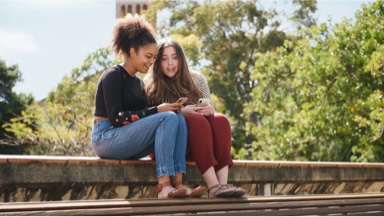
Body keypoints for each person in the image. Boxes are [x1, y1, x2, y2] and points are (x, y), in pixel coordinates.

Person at [91, 16, 195, 199]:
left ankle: (178, 183)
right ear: (132, 51)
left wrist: (172, 108)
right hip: (106, 138)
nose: (151, 62)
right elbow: (117, 119)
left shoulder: (139, 84)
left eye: (154, 58)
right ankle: (163, 186)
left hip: (127, 140)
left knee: (177, 118)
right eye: (148, 56)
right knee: (168, 117)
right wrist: (158, 110)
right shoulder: (113, 76)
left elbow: (146, 121)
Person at [145, 38, 246, 198]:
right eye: (164, 59)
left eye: (175, 57)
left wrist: (207, 110)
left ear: (181, 59)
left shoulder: (197, 79)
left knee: (220, 119)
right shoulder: (151, 84)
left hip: (199, 144)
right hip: (168, 148)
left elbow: (211, 110)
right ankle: (213, 187)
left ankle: (223, 184)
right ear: (158, 62)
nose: (170, 63)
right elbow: (150, 121)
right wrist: (182, 113)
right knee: (195, 120)